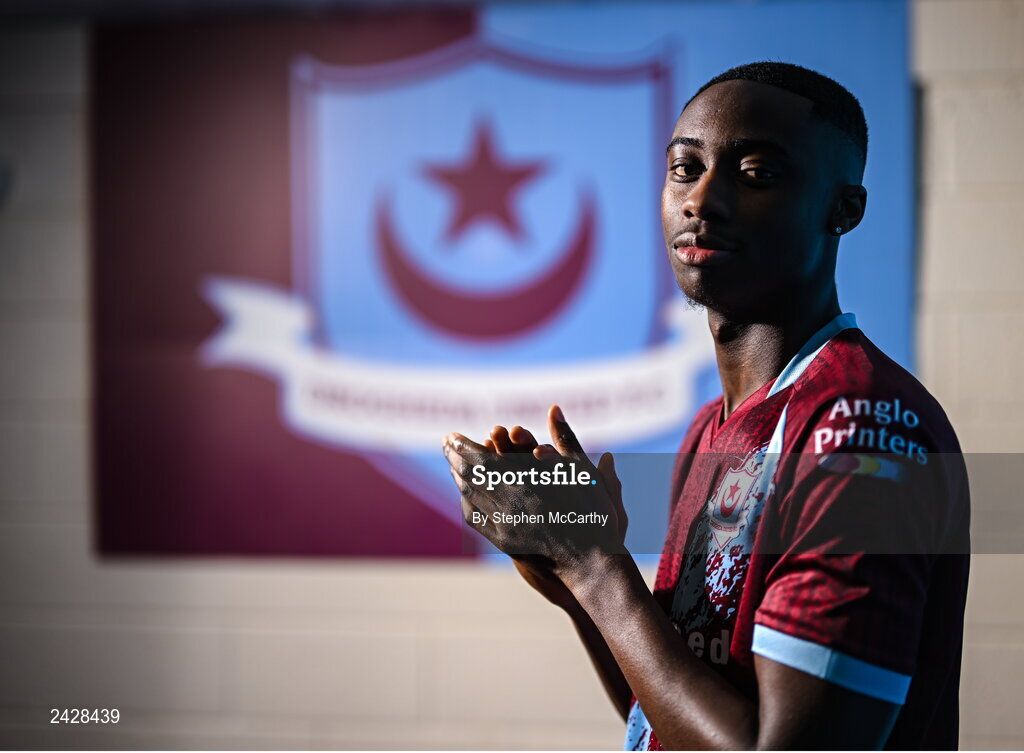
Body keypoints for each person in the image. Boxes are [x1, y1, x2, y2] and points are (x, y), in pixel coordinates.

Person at [442, 62, 969, 750]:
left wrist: (597, 568)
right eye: (685, 168)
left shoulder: (862, 427)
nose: (702, 200)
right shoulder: (711, 429)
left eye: (756, 174)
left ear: (845, 209)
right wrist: (575, 580)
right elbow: (665, 717)